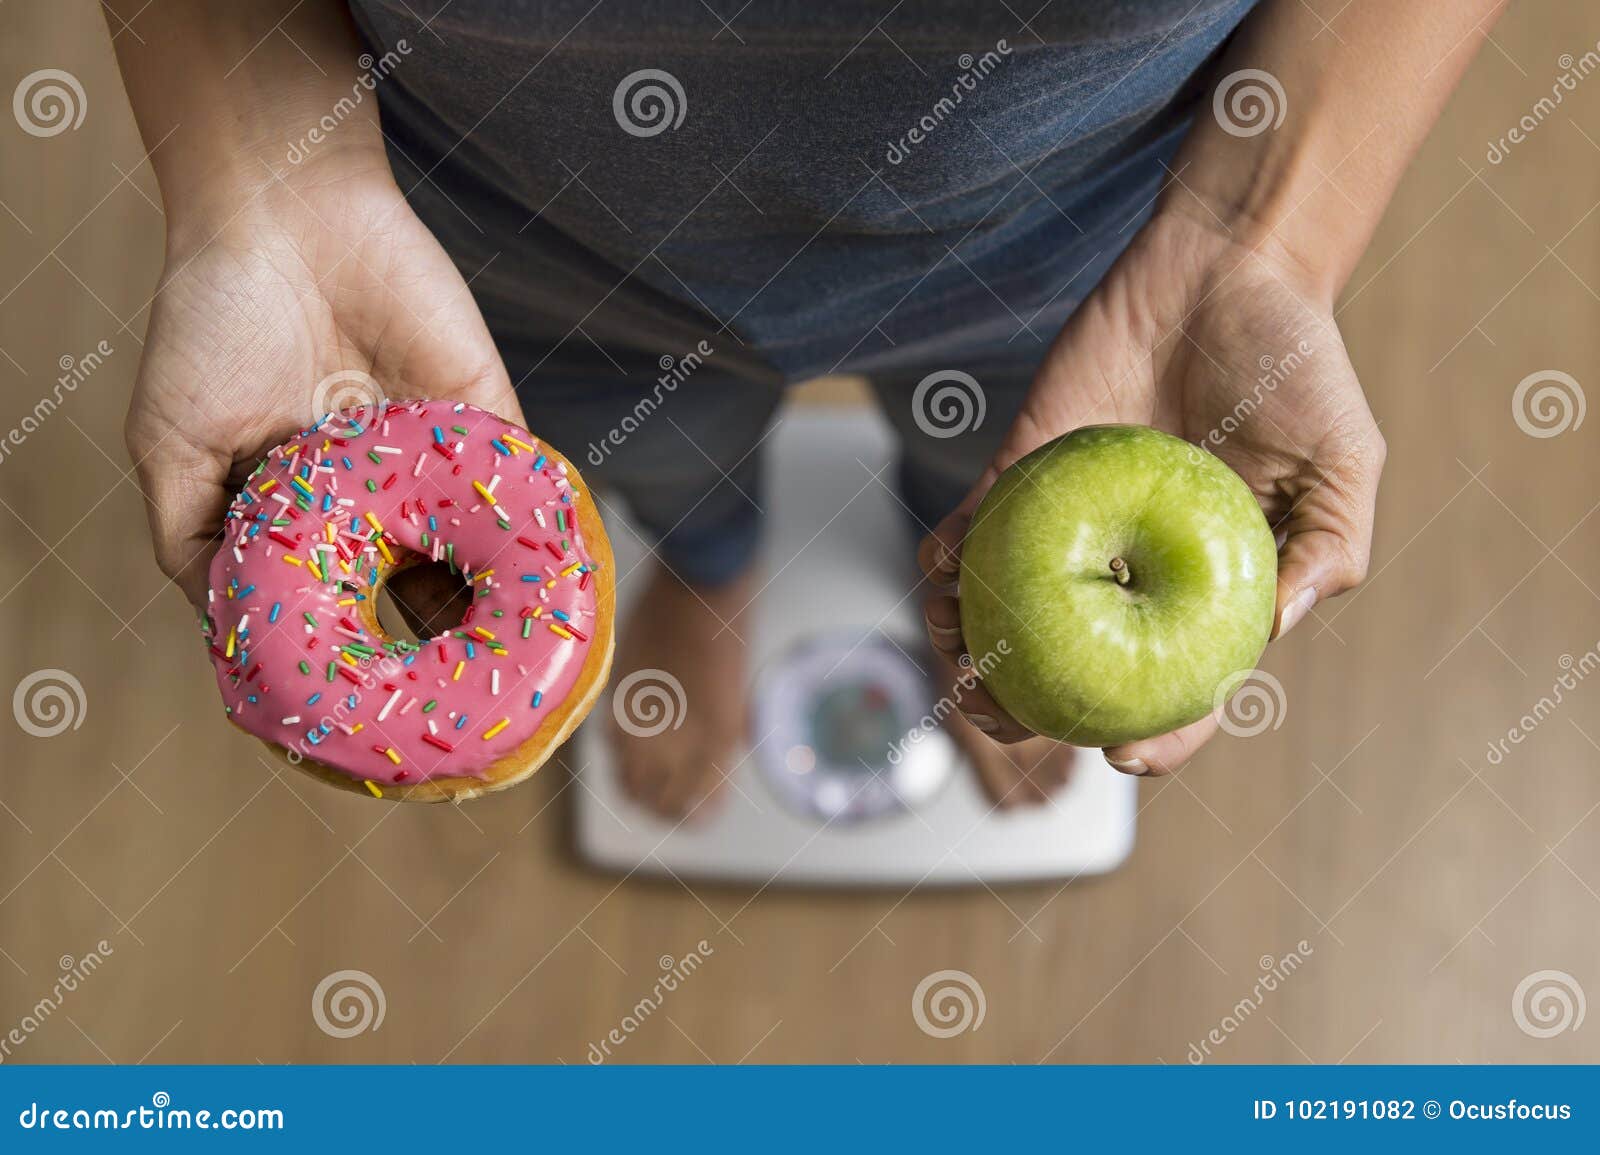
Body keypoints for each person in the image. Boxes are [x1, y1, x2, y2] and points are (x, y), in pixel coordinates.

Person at [109, 0, 1500, 818]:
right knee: (647, 442)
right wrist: (261, 190)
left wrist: (1262, 236)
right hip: (476, 243)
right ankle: (709, 572)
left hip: (1092, 248)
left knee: (995, 472)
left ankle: (964, 598)